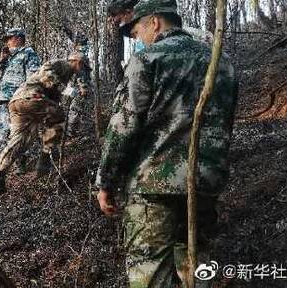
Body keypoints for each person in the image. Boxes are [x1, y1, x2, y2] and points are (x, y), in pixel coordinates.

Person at [95, 0, 238, 287]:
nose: (137, 40)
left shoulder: (147, 60)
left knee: (150, 274)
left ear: (155, 22)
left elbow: (125, 125)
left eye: (136, 32)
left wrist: (106, 181)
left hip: (154, 187)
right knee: (197, 269)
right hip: (204, 184)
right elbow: (225, 122)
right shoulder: (221, 62)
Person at [0, 58, 83, 194]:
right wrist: (68, 91)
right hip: (30, 98)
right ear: (78, 62)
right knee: (59, 115)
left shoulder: (68, 75)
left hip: (17, 103)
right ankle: (45, 158)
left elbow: (53, 98)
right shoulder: (62, 64)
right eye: (84, 67)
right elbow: (46, 75)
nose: (83, 71)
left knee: (20, 140)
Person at [0, 28, 41, 174]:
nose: (7, 42)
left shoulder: (29, 53)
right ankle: (2, 167)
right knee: (2, 134)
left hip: (18, 101)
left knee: (18, 134)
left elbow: (33, 79)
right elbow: (0, 77)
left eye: (9, 38)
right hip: (4, 100)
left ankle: (21, 165)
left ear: (18, 38)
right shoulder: (9, 58)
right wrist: (2, 61)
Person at [64, 52, 94, 137]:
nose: (70, 63)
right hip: (77, 93)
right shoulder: (72, 71)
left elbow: (83, 88)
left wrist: (81, 89)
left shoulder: (81, 72)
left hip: (81, 94)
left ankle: (72, 135)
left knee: (76, 114)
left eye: (72, 61)